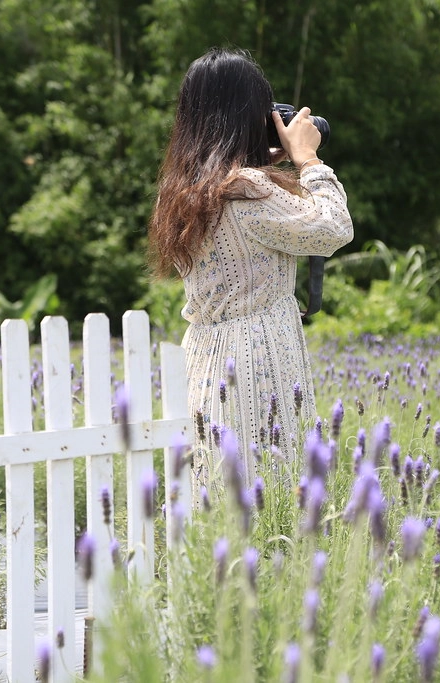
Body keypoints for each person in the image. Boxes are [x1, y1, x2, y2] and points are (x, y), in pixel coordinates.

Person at [148, 48, 353, 484]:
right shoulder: (248, 189)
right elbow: (333, 227)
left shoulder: (182, 190)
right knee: (272, 486)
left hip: (205, 355)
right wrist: (308, 161)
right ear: (246, 115)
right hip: (260, 353)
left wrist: (265, 160)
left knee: (217, 486)